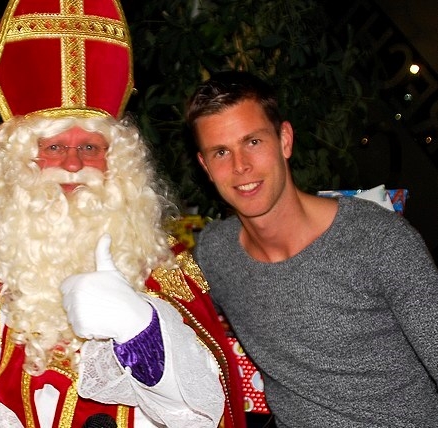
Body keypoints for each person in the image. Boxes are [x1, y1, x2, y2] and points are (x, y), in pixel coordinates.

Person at [0, 1, 246, 427]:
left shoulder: (164, 266)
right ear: (23, 162)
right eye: (54, 146)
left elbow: (208, 405)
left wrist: (142, 331)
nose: (72, 164)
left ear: (117, 164)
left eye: (90, 147)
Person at [186, 70, 438, 426]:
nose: (240, 166)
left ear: (285, 140)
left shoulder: (378, 240)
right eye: (221, 152)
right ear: (206, 167)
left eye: (253, 142)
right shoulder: (214, 253)